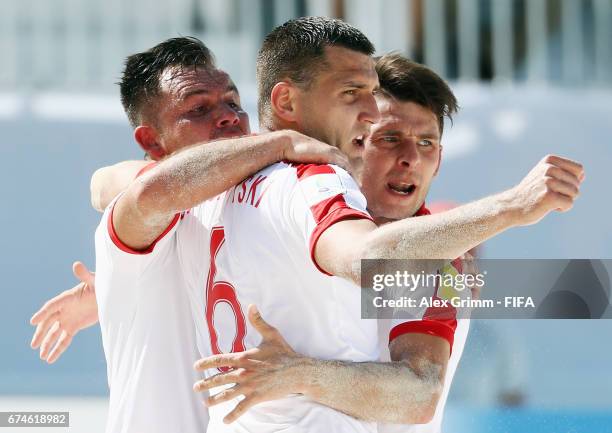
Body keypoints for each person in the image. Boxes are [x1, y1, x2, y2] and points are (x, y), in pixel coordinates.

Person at [32, 17, 583, 432]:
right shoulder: (281, 184)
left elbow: (424, 387)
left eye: (428, 144)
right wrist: (513, 209)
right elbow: (126, 187)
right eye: (385, 136)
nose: (409, 159)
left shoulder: (435, 254)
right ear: (356, 139)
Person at [31, 36, 349, 433]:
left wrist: (438, 283)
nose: (229, 116)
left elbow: (369, 274)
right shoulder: (151, 201)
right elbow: (135, 189)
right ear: (151, 142)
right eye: (199, 109)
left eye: (234, 102)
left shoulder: (258, 192)